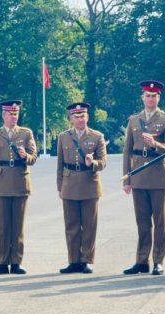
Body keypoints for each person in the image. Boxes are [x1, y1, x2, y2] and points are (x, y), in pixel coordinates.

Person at [122, 80, 165, 276]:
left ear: (158, 98)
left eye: (154, 96)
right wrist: (127, 178)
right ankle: (141, 260)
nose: (150, 99)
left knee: (160, 223)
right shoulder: (134, 120)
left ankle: (158, 261)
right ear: (142, 97)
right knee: (142, 222)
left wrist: (155, 144)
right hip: (138, 175)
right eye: (147, 95)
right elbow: (127, 150)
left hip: (158, 175)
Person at [0, 100, 38, 275]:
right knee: (3, 226)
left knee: (18, 226)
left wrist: (26, 156)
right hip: (1, 183)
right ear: (3, 115)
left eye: (16, 114)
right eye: (10, 114)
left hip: (20, 182)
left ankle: (16, 262)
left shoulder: (26, 133)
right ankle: (2, 262)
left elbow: (34, 157)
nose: (14, 117)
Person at [56, 102, 107, 274]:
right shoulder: (64, 137)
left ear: (88, 117)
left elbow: (103, 163)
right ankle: (73, 260)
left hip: (89, 184)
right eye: (76, 116)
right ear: (71, 119)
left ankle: (87, 260)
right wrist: (59, 186)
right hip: (69, 184)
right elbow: (60, 164)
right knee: (71, 225)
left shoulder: (97, 136)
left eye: (83, 116)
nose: (80, 119)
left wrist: (92, 163)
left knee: (89, 225)